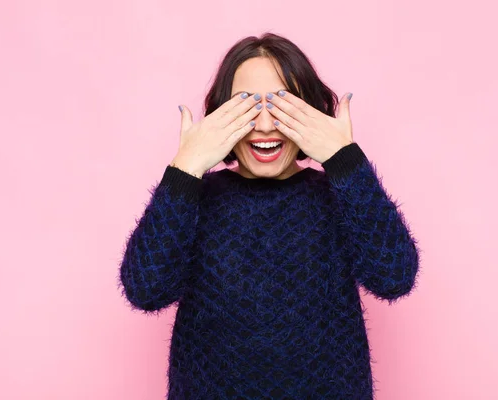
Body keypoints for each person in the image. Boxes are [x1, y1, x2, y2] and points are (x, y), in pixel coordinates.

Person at [118, 32, 421, 399]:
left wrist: (344, 159)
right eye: (247, 107)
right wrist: (186, 168)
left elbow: (394, 276)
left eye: (282, 106)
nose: (264, 126)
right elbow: (145, 290)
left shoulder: (338, 195)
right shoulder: (197, 199)